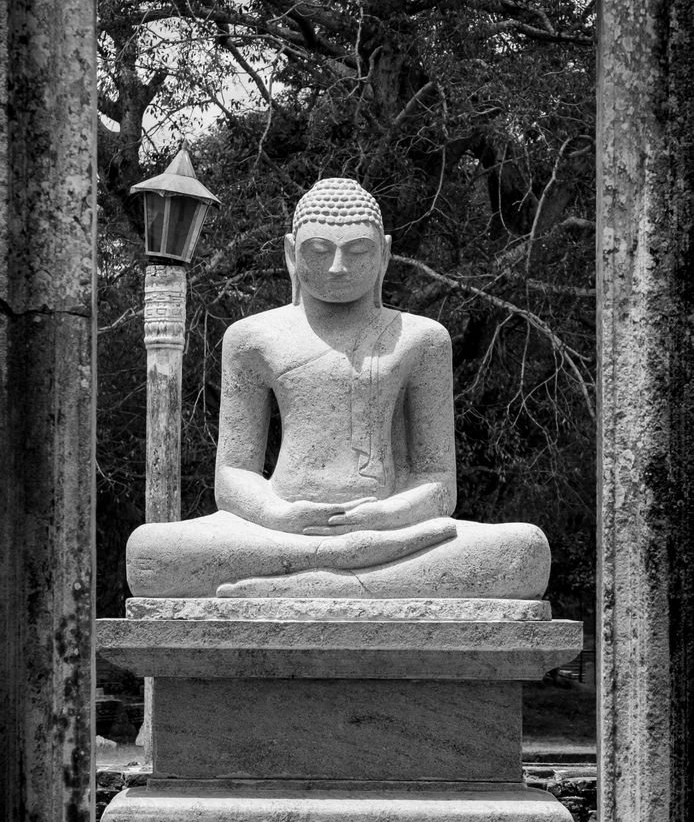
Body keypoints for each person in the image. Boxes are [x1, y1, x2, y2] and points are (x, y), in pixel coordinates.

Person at [126, 178, 550, 598]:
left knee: (522, 553)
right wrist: (279, 514)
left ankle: (313, 586)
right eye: (319, 251)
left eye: (358, 251)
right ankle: (360, 583)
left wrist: (384, 517)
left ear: (384, 254)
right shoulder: (253, 338)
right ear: (291, 253)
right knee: (149, 554)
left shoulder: (421, 339)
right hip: (280, 532)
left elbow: (438, 482)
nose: (337, 267)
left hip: (389, 532)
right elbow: (234, 473)